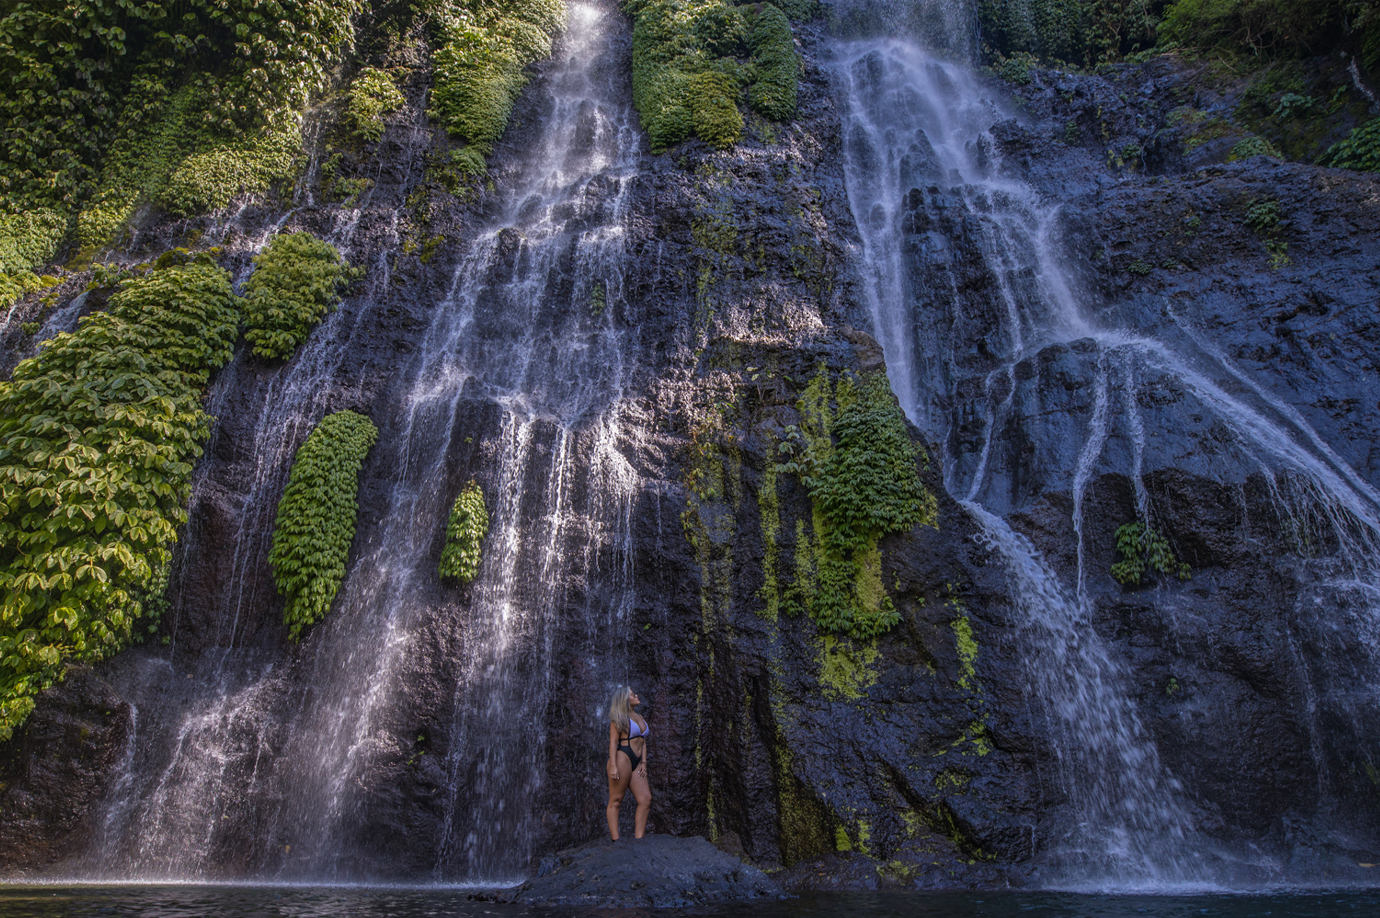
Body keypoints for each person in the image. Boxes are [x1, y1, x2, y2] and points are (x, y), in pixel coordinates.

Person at [606, 686, 651, 840]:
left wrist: (644, 762)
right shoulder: (619, 717)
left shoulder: (639, 716)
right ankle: (615, 840)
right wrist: (613, 765)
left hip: (638, 762)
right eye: (633, 694)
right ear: (625, 700)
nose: (636, 695)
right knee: (616, 799)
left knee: (645, 799)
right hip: (622, 758)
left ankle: (639, 839)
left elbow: (643, 741)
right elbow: (613, 742)